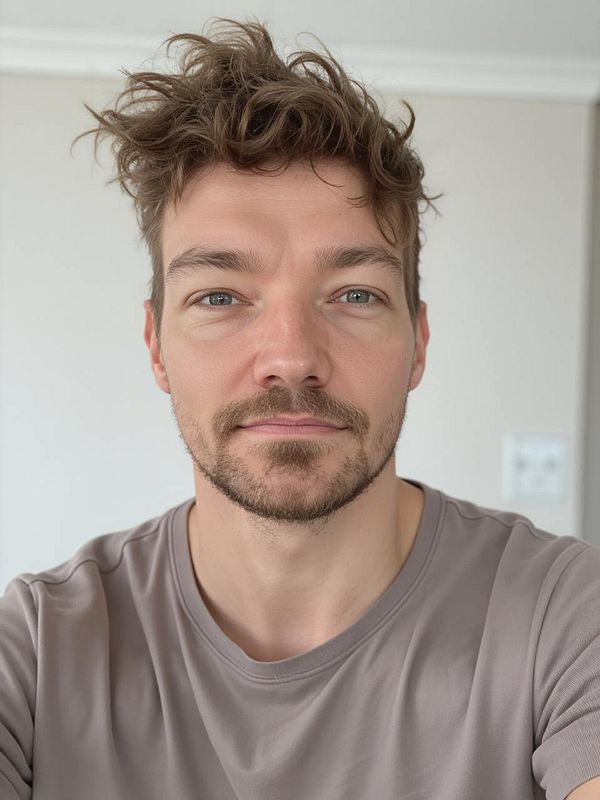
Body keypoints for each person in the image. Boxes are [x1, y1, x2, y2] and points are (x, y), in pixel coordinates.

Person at [0, 18, 599, 800]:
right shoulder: (36, 650)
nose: (291, 355)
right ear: (156, 345)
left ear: (418, 343)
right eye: (220, 296)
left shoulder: (566, 614)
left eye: (355, 294)